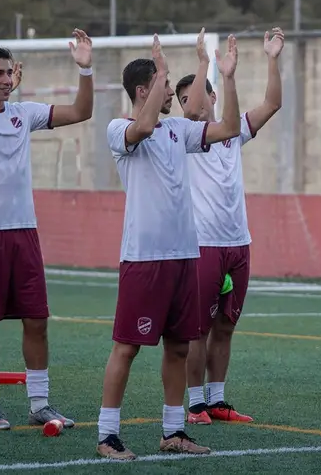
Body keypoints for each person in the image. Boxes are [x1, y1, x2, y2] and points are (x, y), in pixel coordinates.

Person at [96, 33, 242, 460]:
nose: (171, 95)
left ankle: (173, 431)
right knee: (127, 346)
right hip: (144, 260)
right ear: (145, 90)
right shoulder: (119, 128)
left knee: (179, 346)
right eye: (162, 83)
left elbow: (229, 127)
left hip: (185, 259)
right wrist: (162, 69)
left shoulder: (179, 130)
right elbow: (143, 126)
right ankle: (107, 435)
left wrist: (226, 78)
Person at [0, 24, 93, 430]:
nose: (7, 80)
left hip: (24, 233)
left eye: (9, 73)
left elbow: (82, 112)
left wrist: (84, 69)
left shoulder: (23, 114)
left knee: (37, 320)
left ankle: (39, 404)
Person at [175, 27, 284, 425]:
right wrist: (209, 66)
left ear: (214, 96)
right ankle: (195, 403)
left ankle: (218, 401)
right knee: (196, 330)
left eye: (199, 94)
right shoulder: (182, 136)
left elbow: (273, 102)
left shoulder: (232, 134)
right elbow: (188, 115)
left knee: (225, 327)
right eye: (184, 98)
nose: (192, 102)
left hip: (239, 245)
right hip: (201, 246)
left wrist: (270, 58)